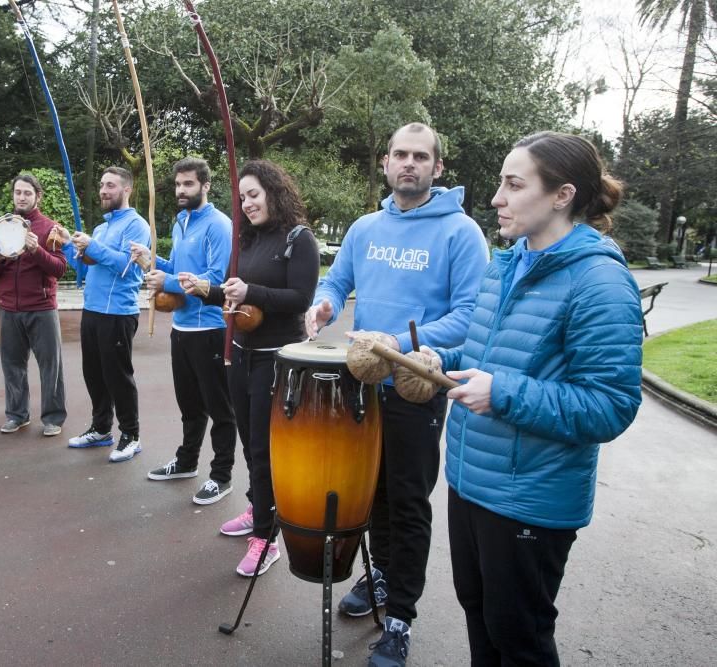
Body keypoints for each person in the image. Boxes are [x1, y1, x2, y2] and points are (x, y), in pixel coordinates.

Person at [421, 132, 642, 666]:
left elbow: (611, 404)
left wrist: (506, 394)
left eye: (513, 185)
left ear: (562, 195)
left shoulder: (600, 281)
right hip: (471, 483)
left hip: (531, 500)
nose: (496, 198)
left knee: (519, 637)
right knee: (480, 616)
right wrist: (436, 360)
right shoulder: (506, 264)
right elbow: (483, 353)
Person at [306, 123, 489, 666]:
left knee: (407, 504)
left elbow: (470, 318)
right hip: (360, 389)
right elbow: (336, 282)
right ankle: (379, 576)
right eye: (399, 155)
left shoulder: (462, 233)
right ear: (385, 163)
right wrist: (322, 304)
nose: (408, 164)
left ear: (437, 167)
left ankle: (401, 618)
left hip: (414, 388)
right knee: (370, 496)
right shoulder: (365, 228)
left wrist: (403, 344)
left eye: (420, 156)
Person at [180, 159, 319, 576]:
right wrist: (206, 290)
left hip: (278, 359)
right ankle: (260, 508)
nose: (247, 204)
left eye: (254, 195)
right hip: (239, 353)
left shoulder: (300, 239)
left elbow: (300, 297)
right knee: (248, 440)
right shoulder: (245, 240)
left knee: (264, 448)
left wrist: (251, 290)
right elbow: (232, 293)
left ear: (274, 192)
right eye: (242, 198)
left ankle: (266, 538)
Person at [134, 158, 236, 504]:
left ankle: (221, 476)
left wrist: (169, 280)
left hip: (211, 328)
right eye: (178, 184)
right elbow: (177, 269)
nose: (181, 190)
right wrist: (152, 262)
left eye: (188, 184)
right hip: (181, 328)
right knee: (190, 405)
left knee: (220, 408)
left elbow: (217, 280)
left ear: (206, 186)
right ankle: (187, 461)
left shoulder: (219, 226)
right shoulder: (181, 222)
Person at [64, 167, 151, 462]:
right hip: (92, 310)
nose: (103, 190)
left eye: (110, 185)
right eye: (101, 184)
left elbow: (126, 268)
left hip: (118, 313)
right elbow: (85, 269)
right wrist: (67, 244)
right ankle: (101, 429)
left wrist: (93, 246)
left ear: (126, 189)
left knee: (118, 376)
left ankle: (131, 435)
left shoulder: (137, 226)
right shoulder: (101, 229)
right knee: (94, 374)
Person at [0, 174, 69, 437]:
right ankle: (17, 415)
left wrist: (36, 251)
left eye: (27, 193)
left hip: (42, 307)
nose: (22, 197)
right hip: (9, 308)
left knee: (50, 365)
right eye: (18, 192)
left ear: (37, 196)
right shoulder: (0, 227)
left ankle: (53, 418)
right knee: (12, 365)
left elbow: (60, 268)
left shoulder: (50, 228)